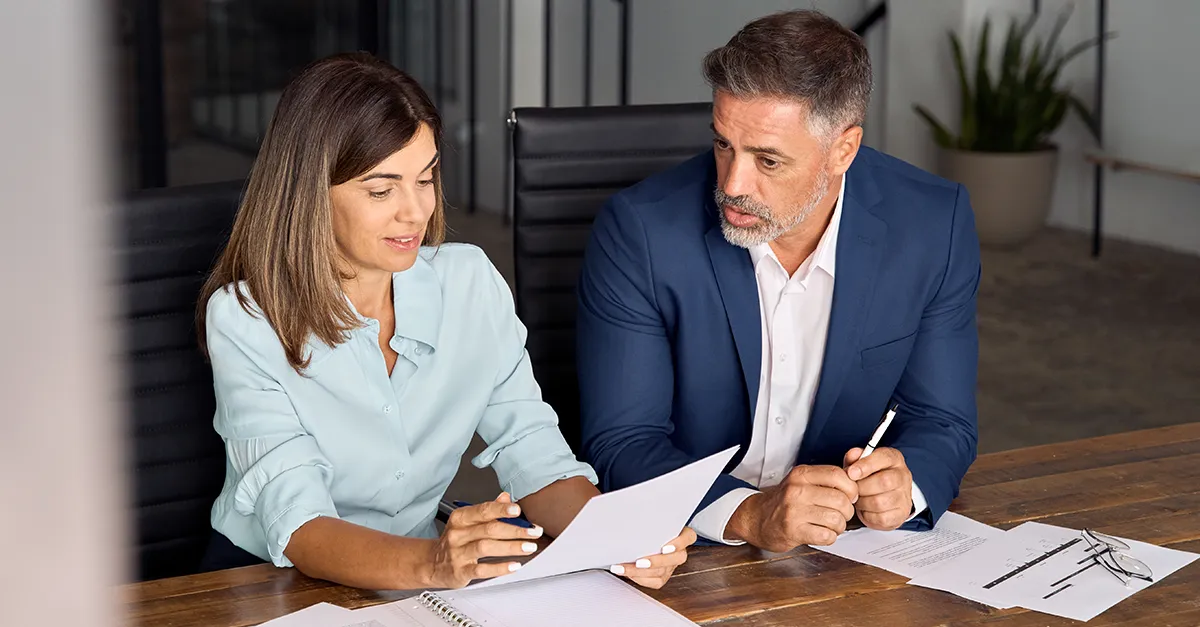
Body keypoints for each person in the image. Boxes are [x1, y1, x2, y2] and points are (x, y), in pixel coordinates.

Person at [196, 52, 695, 590]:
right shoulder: (246, 319)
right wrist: (433, 563)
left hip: (419, 576)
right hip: (269, 581)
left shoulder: (469, 282)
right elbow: (299, 525)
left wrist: (617, 537)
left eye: (426, 178)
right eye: (381, 190)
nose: (415, 212)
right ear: (309, 193)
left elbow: (534, 452)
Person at [577, 10, 980, 553]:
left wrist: (905, 489)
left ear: (843, 150)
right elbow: (623, 442)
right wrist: (747, 514)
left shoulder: (932, 224)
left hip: (846, 546)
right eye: (723, 145)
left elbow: (942, 419)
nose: (732, 184)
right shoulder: (640, 231)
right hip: (685, 546)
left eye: (767, 160)